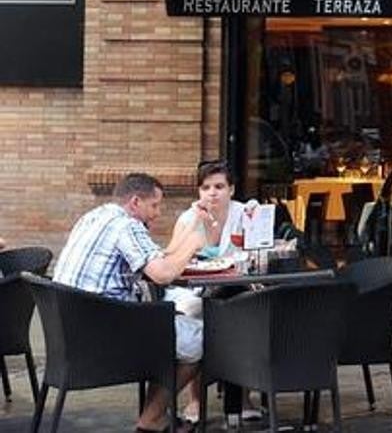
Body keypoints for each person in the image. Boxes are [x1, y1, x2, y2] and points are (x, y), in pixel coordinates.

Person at [52, 172, 211, 433]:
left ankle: (155, 416)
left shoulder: (94, 217)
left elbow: (161, 256)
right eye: (154, 205)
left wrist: (191, 229)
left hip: (72, 336)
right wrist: (194, 242)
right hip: (106, 338)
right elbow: (162, 274)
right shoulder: (126, 226)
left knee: (173, 326)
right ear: (135, 201)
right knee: (198, 338)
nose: (157, 213)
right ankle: (152, 418)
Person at [164, 160, 250, 424]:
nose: (212, 193)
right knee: (197, 318)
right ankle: (195, 399)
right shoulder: (189, 217)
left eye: (219, 187)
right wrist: (194, 226)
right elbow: (170, 256)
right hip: (192, 289)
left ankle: (243, 398)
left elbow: (256, 250)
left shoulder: (244, 213)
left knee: (249, 316)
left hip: (233, 286)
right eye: (206, 187)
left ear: (231, 190)